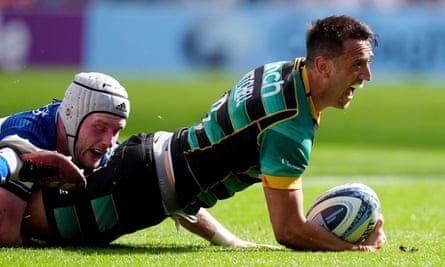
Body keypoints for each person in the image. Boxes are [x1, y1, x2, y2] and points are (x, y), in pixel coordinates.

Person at [23, 15, 386, 251]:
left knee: (23, 198)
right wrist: (356, 249)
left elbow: (199, 166)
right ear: (322, 65)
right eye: (358, 65)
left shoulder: (283, 71)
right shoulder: (289, 126)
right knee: (19, 224)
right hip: (131, 189)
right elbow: (289, 230)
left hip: (148, 157)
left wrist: (226, 240)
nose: (366, 76)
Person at [0, 72, 130, 246]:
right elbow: (5, 234)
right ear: (70, 115)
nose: (109, 142)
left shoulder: (108, 151)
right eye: (99, 127)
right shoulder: (28, 135)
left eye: (116, 131)